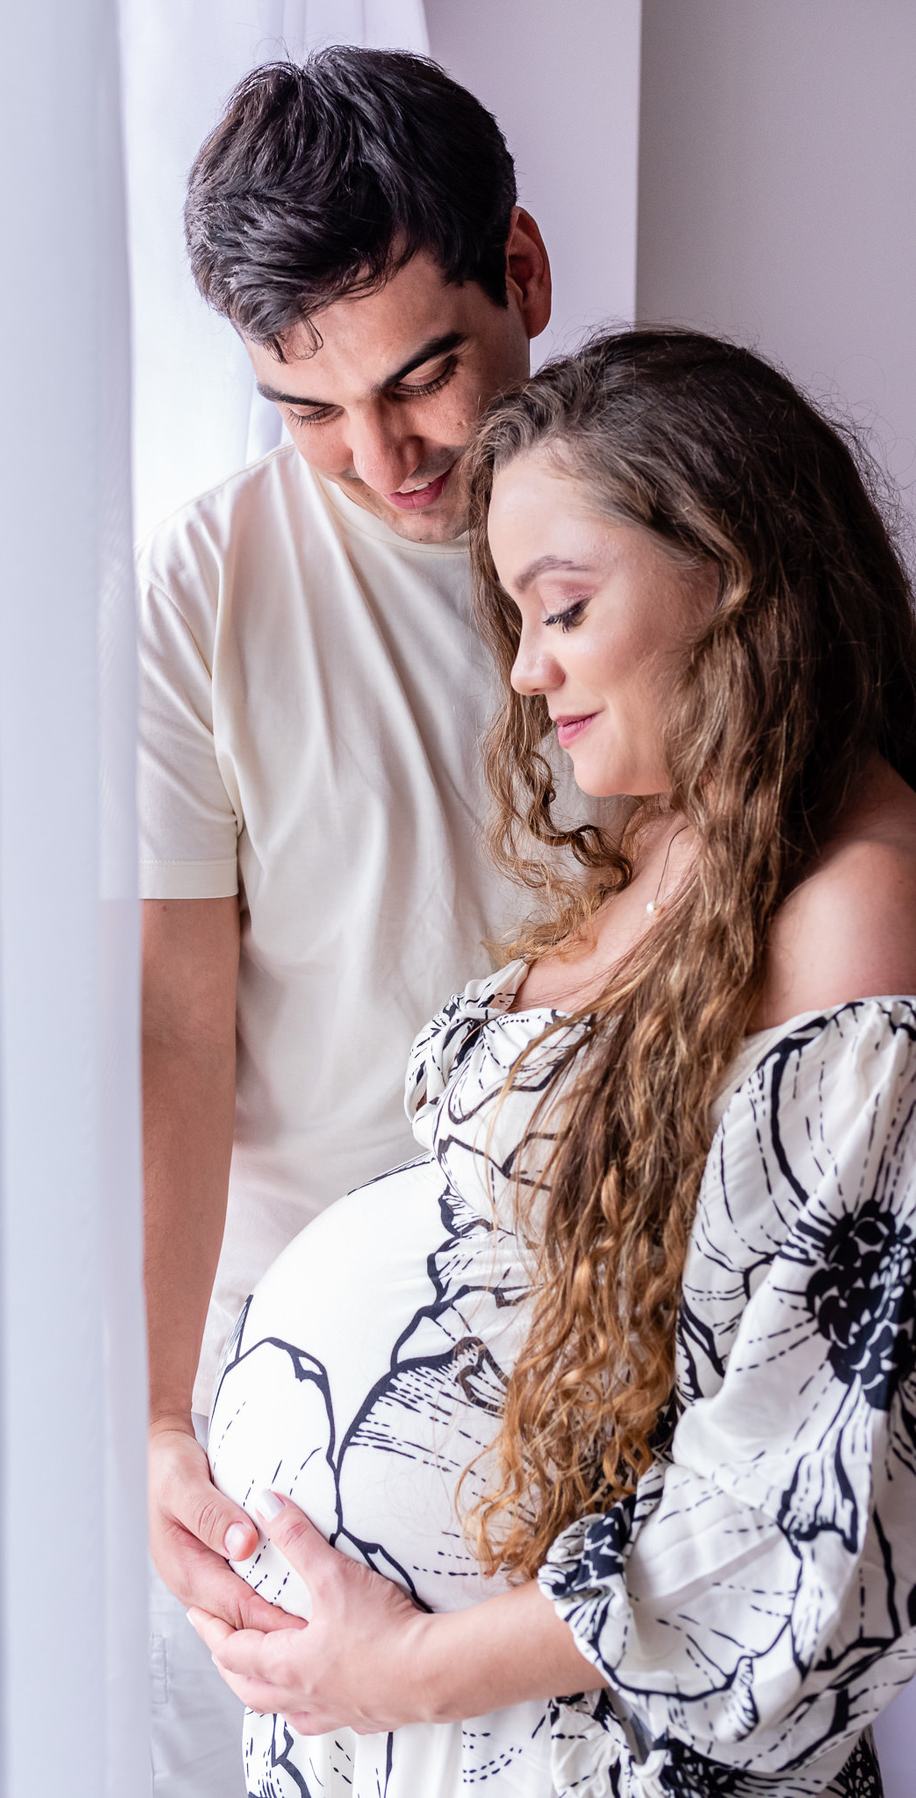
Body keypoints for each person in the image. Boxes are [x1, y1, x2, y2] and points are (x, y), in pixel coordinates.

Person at [189, 329, 916, 1797]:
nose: (527, 672)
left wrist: (394, 1669)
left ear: (733, 566)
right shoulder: (688, 853)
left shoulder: (858, 909)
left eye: (563, 608)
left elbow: (796, 1502)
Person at [140, 48, 612, 1793]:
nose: (380, 454)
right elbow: (175, 1029)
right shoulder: (197, 594)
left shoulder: (677, 534)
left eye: (423, 378)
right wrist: (157, 1412)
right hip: (316, 1390)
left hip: (618, 1332)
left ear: (528, 274)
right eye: (307, 409)